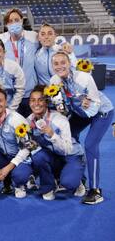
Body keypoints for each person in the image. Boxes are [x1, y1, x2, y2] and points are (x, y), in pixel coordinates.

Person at [50, 51, 114, 204]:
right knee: (66, 137)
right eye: (56, 64)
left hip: (100, 112)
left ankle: (95, 190)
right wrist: (61, 107)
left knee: (90, 145)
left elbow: (94, 106)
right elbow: (62, 108)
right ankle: (79, 179)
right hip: (79, 113)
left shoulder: (84, 78)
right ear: (52, 67)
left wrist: (85, 102)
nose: (60, 66)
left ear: (69, 63)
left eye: (62, 62)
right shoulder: (54, 81)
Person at [27, 85, 85, 200]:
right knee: (38, 156)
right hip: (53, 156)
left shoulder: (59, 119)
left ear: (46, 102)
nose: (36, 103)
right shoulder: (28, 121)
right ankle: (48, 186)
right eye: (33, 100)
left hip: (71, 155)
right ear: (29, 103)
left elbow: (68, 149)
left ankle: (79, 180)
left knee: (69, 183)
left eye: (40, 100)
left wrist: (52, 135)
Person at [0, 8, 38, 117]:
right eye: (10, 21)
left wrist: (64, 47)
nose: (14, 23)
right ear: (6, 25)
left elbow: (48, 42)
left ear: (22, 21)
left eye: (16, 20)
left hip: (30, 95)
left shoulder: (33, 37)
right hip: (11, 95)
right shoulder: (0, 39)